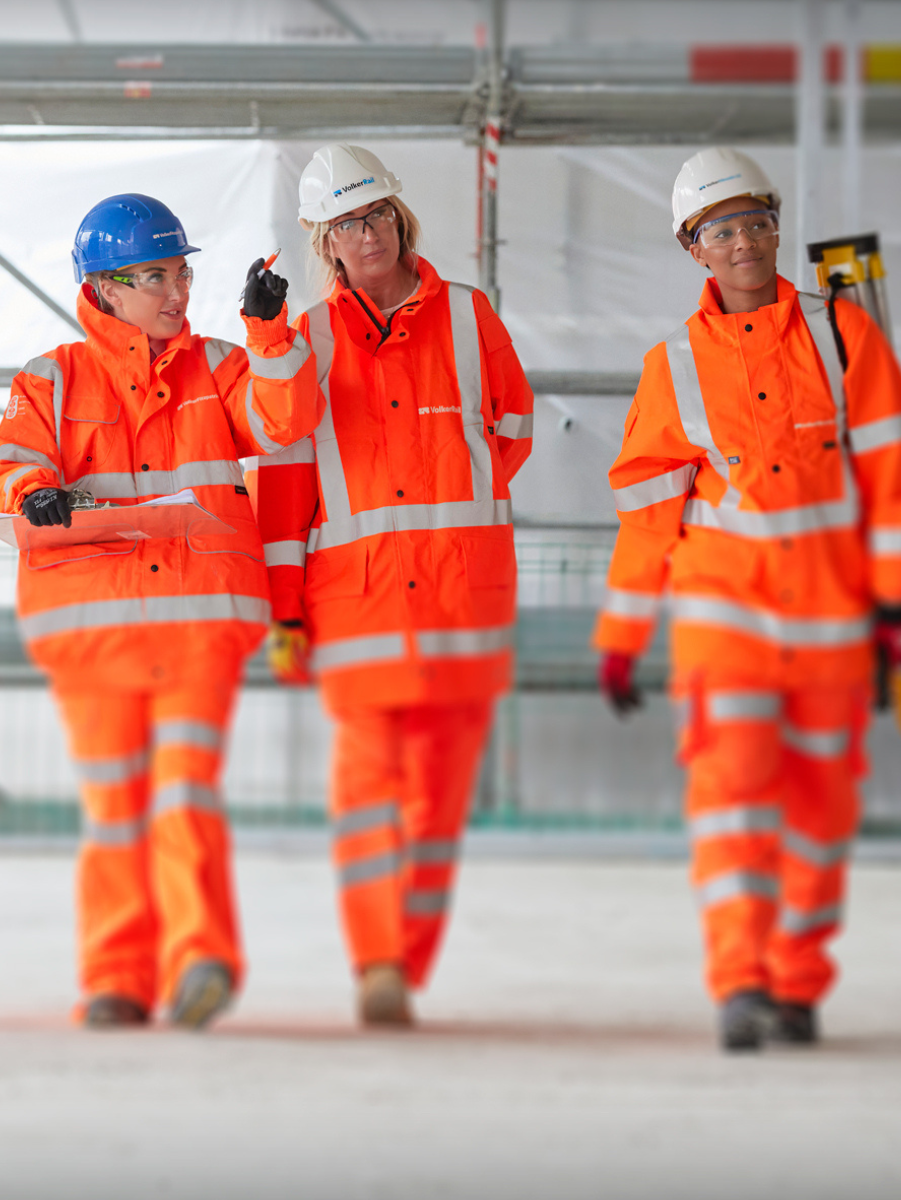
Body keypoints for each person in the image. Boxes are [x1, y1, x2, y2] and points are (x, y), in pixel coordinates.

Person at [593, 147, 901, 1051]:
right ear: (693, 250)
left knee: (819, 815)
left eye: (755, 222)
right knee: (733, 801)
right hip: (725, 622)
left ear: (777, 228)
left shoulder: (844, 335)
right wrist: (622, 631)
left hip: (830, 621)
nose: (743, 241)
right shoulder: (671, 365)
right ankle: (740, 983)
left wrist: (898, 604)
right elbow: (645, 510)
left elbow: (894, 476)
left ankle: (796, 984)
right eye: (721, 230)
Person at [0, 194, 320, 1030]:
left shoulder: (221, 365)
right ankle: (116, 979)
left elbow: (283, 422)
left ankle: (199, 957)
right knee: (115, 805)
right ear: (103, 288)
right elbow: (8, 469)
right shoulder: (52, 378)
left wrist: (269, 333)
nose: (178, 292)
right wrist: (35, 493)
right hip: (93, 626)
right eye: (157, 276)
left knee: (182, 792)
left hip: (197, 620)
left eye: (182, 273)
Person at [256, 145, 535, 1028]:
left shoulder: (469, 317)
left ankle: (407, 959)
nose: (363, 234)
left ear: (399, 220)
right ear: (322, 243)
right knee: (368, 793)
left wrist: (463, 493)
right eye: (343, 224)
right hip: (360, 606)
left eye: (373, 215)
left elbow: (513, 427)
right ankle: (378, 961)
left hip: (462, 604)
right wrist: (264, 338)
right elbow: (283, 456)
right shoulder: (305, 339)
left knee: (437, 801)